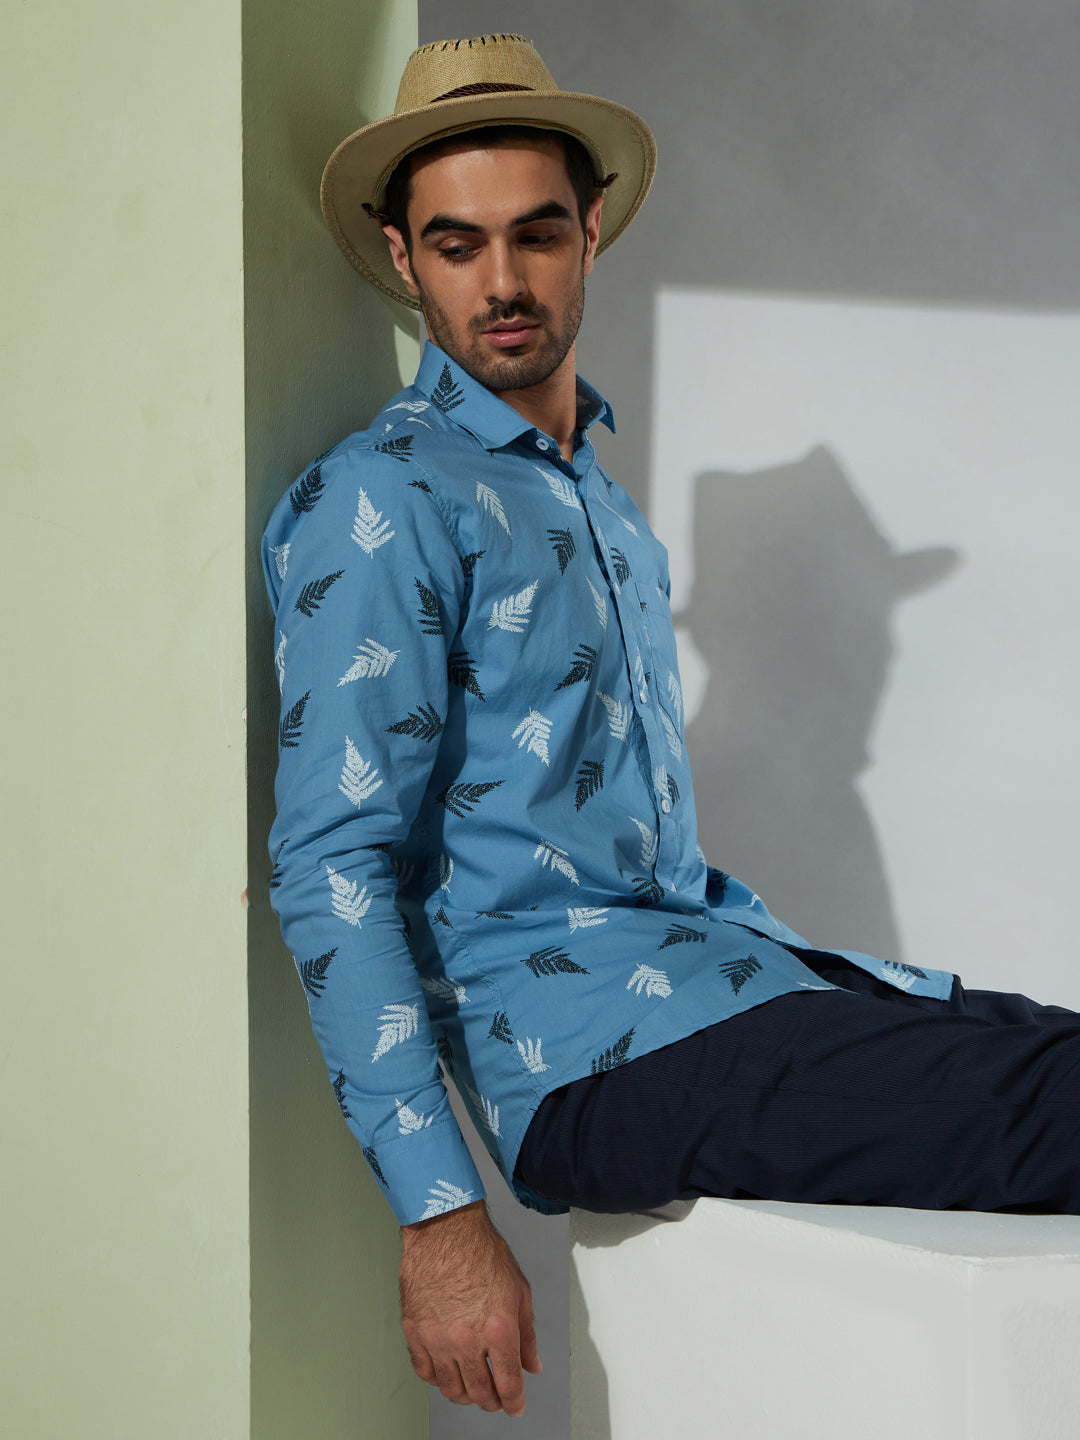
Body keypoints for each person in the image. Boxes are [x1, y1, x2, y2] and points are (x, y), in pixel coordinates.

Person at [263, 33, 1080, 1417]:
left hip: (717, 980)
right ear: (403, 258)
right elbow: (330, 863)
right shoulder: (382, 501)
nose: (503, 281)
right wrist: (440, 1219)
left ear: (592, 232)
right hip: (582, 1058)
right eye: (458, 244)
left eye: (536, 234)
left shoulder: (598, 501)